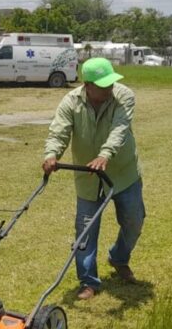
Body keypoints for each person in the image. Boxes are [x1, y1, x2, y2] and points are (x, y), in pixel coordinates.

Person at [42, 57, 144, 300]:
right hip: (88, 176)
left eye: (111, 83)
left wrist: (105, 154)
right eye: (103, 85)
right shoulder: (70, 101)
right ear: (87, 85)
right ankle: (89, 281)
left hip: (122, 172)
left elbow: (120, 128)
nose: (109, 88)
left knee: (134, 221)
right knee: (85, 230)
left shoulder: (124, 96)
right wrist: (51, 154)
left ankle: (119, 258)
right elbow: (60, 130)